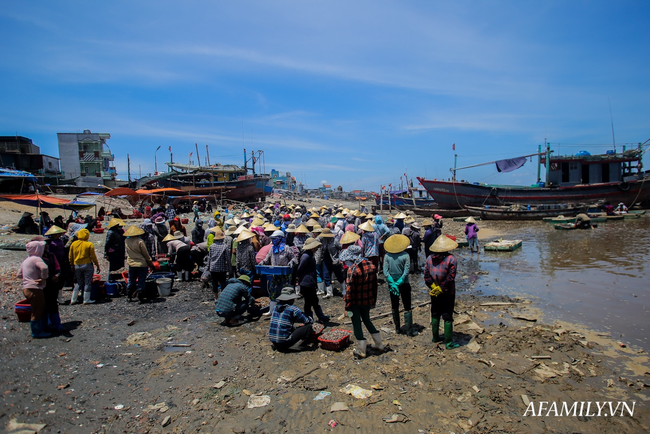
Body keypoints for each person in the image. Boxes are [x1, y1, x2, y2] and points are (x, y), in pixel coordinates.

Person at [340, 245, 383, 358]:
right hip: (367, 300)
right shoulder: (372, 266)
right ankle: (379, 344)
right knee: (367, 320)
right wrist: (373, 301)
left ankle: (361, 350)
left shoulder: (352, 270)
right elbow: (375, 286)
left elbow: (349, 291)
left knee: (356, 323)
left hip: (355, 302)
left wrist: (347, 307)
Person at [424, 234, 459, 349]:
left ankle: (435, 337)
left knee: (435, 313)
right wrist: (441, 288)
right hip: (448, 292)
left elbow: (426, 276)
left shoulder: (429, 258)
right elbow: (451, 277)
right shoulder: (451, 259)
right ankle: (448, 343)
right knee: (447, 316)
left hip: (434, 292)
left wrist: (434, 287)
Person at [383, 234, 417, 336]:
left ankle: (397, 328)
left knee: (395, 305)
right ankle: (409, 331)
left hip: (392, 284)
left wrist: (393, 284)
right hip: (404, 283)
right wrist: (399, 282)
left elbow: (385, 272)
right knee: (407, 306)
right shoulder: (406, 255)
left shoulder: (387, 256)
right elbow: (406, 271)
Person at [260, 230, 298, 315]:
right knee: (273, 289)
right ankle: (272, 310)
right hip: (275, 274)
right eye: (272, 239)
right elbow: (267, 259)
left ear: (280, 239)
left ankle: (287, 310)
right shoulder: (272, 249)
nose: (273, 240)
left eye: (275, 239)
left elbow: (294, 259)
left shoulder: (286, 248)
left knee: (285, 291)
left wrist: (291, 262)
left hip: (286, 274)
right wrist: (262, 262)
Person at [18, 240, 51, 338]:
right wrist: (43, 278)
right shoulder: (37, 259)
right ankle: (36, 332)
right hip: (35, 288)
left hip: (26, 288)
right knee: (37, 311)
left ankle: (41, 328)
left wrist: (29, 277)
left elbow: (19, 274)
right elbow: (44, 268)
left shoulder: (26, 260)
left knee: (37, 308)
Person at [268, 287, 314, 352]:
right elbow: (307, 321)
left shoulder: (275, 307)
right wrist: (311, 319)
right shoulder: (293, 308)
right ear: (291, 299)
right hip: (284, 342)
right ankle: (299, 344)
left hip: (273, 340)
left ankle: (280, 344)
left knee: (292, 327)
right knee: (308, 327)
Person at [297, 237, 329, 323]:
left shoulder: (309, 255)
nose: (316, 249)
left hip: (309, 281)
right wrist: (298, 277)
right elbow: (300, 268)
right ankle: (309, 318)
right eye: (315, 247)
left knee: (313, 301)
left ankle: (318, 317)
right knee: (309, 302)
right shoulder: (306, 256)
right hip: (307, 282)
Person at [68, 228, 101, 304]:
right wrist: (97, 265)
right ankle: (86, 299)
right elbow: (93, 256)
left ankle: (73, 299)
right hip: (87, 265)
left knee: (78, 282)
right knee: (87, 282)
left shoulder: (74, 244)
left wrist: (71, 264)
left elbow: (70, 256)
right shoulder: (89, 244)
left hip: (77, 265)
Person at [124, 225, 155, 303]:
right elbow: (145, 254)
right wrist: (150, 263)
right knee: (141, 280)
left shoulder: (126, 241)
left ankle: (129, 296)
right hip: (141, 264)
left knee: (131, 280)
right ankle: (140, 298)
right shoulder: (140, 241)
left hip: (131, 264)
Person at [207, 228, 231, 300]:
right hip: (221, 268)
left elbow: (209, 258)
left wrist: (208, 267)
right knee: (222, 282)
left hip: (213, 267)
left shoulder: (212, 246)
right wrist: (230, 269)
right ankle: (223, 297)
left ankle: (216, 297)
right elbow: (228, 259)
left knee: (214, 282)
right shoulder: (225, 246)